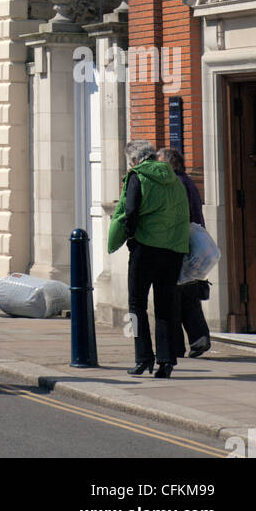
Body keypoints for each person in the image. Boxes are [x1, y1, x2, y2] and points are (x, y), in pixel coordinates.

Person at [108, 140, 190, 379]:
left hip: (145, 250)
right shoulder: (174, 179)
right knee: (165, 306)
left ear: (134, 161)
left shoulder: (136, 176)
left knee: (136, 306)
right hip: (173, 250)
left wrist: (131, 236)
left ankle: (143, 358)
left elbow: (130, 211)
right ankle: (166, 361)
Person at [157, 147, 211, 359]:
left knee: (175, 295)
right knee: (187, 294)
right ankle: (199, 339)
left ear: (171, 164)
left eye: (161, 163)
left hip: (179, 245)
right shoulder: (187, 181)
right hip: (188, 245)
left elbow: (178, 216)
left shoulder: (176, 184)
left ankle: (178, 345)